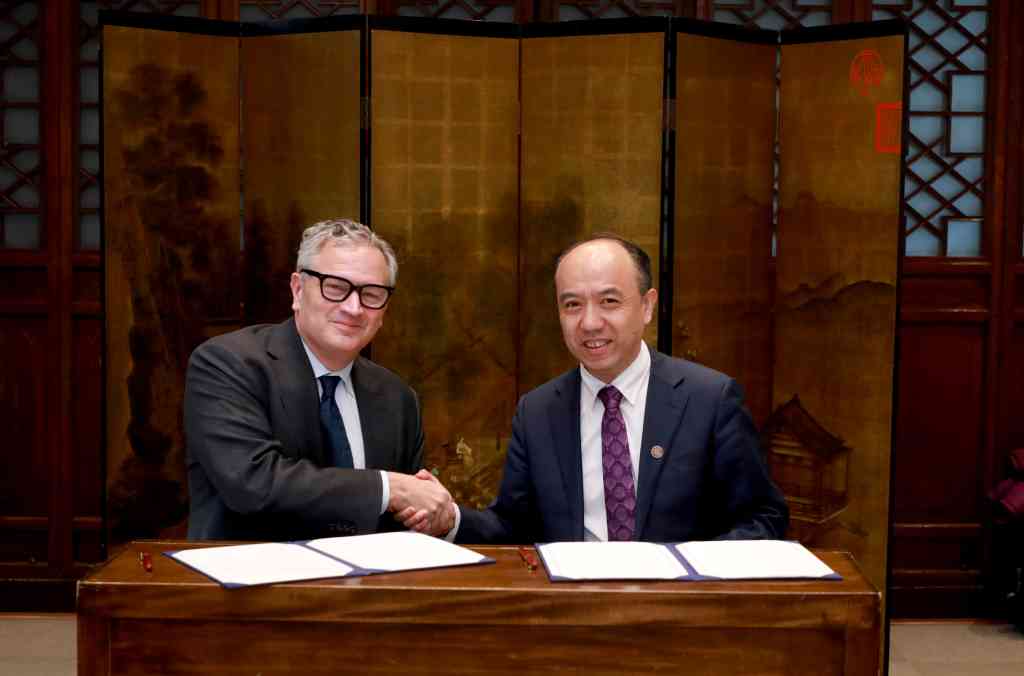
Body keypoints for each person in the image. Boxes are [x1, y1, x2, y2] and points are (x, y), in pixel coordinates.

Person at [404, 233, 787, 543]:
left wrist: (690, 574)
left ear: (647, 306)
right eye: (572, 305)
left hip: (679, 607)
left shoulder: (709, 399)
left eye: (609, 301)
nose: (589, 323)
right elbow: (513, 526)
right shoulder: (538, 412)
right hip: (571, 608)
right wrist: (450, 519)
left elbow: (763, 518)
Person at [185, 218, 451, 541]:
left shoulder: (398, 399)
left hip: (370, 574)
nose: (354, 308)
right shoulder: (229, 364)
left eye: (371, 294)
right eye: (335, 288)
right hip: (253, 572)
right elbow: (253, 483)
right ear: (298, 290)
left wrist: (435, 517)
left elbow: (406, 515)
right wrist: (388, 487)